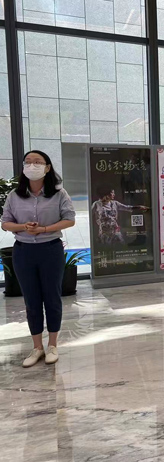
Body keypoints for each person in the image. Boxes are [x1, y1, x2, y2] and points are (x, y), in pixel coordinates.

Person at [1, 151, 76, 367]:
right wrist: (23, 227)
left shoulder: (59, 193)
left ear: (47, 167)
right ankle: (37, 347)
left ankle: (52, 345)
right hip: (23, 251)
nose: (32, 165)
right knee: (31, 300)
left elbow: (69, 219)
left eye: (37, 162)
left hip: (50, 250)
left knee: (52, 297)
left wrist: (44, 229)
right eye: (28, 162)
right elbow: (5, 223)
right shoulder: (15, 195)